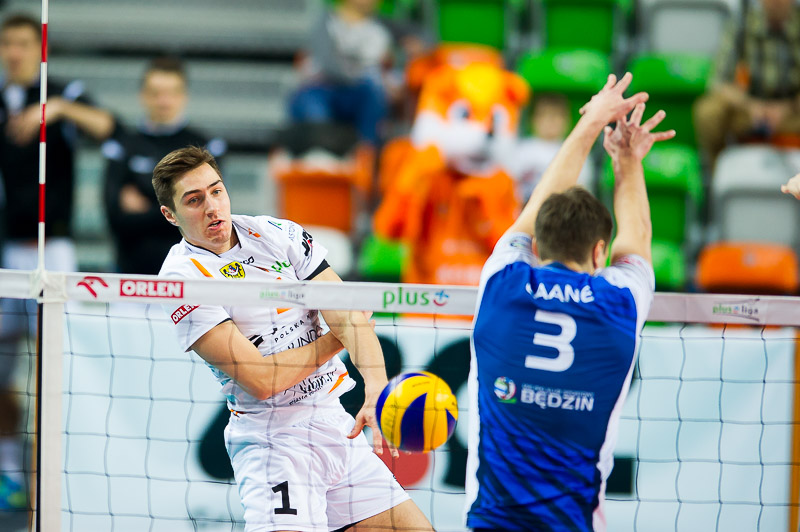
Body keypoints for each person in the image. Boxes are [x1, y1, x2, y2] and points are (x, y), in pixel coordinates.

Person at [153, 146, 433, 532]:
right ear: (170, 215)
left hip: (335, 423)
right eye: (194, 200)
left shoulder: (276, 233)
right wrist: (337, 338)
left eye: (216, 191)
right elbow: (262, 379)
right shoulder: (182, 278)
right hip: (274, 442)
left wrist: (377, 389)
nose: (212, 207)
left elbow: (346, 314)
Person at [465, 73, 674, 531]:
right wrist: (627, 160)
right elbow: (637, 236)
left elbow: (533, 209)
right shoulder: (619, 304)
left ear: (537, 246)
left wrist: (591, 121)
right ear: (600, 253)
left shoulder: (502, 285)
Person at [0, 13, 113, 510]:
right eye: (7, 43)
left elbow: (107, 126)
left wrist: (58, 109)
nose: (15, 52)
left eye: (23, 43)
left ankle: (62, 474)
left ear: (38, 48)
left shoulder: (64, 92)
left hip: (54, 249)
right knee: (3, 367)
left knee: (60, 366)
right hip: (7, 252)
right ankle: (10, 472)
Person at [102, 56, 226, 274]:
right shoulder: (121, 146)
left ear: (184, 96)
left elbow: (209, 215)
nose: (163, 101)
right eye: (155, 93)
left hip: (192, 273)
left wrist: (145, 207)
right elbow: (115, 218)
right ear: (142, 95)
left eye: (171, 93)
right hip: (132, 273)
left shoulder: (207, 147)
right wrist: (183, 205)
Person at [694, 0, 800, 169]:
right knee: (708, 112)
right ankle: (718, 175)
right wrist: (752, 106)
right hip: (751, 111)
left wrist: (785, 109)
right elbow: (719, 82)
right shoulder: (743, 21)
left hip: (792, 111)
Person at [289, 0, 394, 145]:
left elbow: (375, 71)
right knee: (312, 100)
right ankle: (320, 148)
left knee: (373, 94)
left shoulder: (378, 32)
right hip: (321, 88)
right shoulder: (326, 23)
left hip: (356, 93)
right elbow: (325, 64)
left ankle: (366, 150)